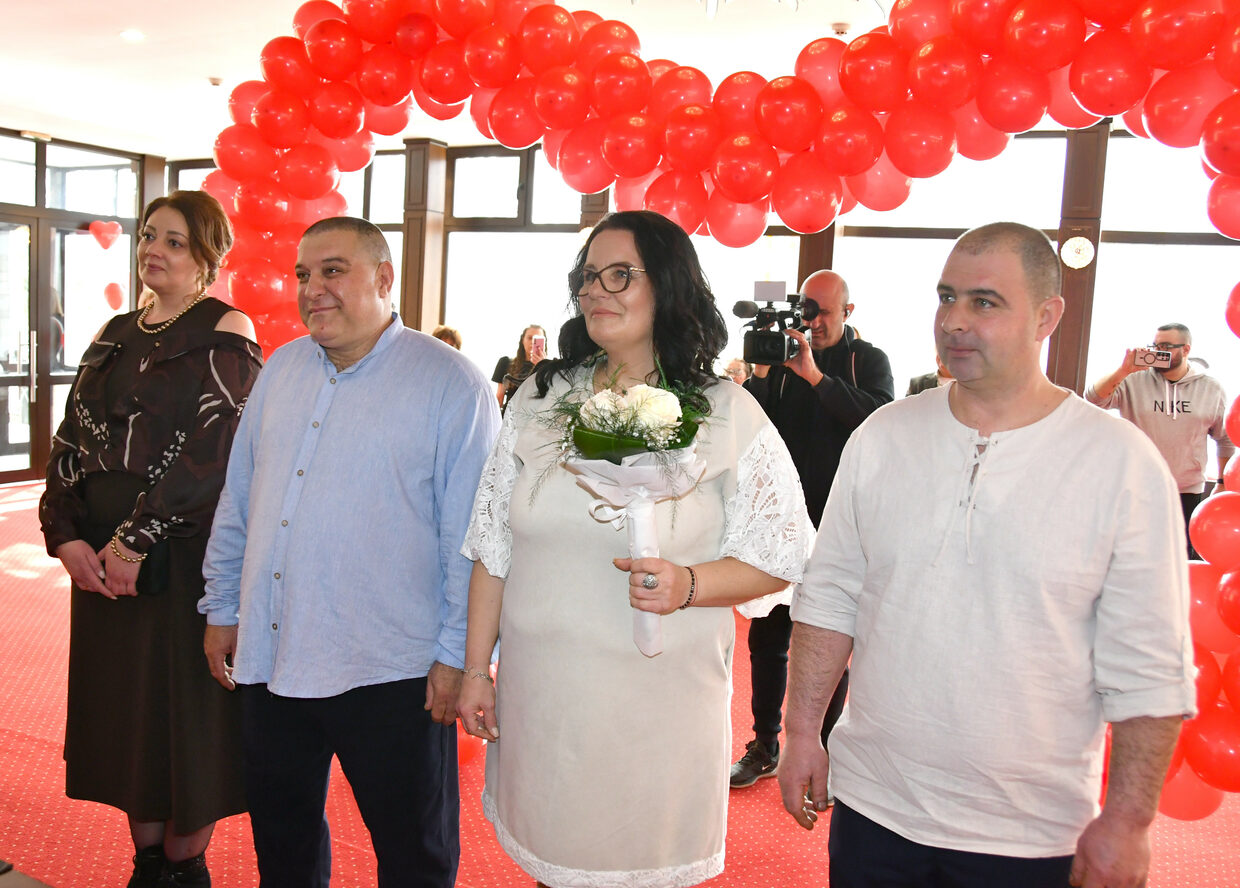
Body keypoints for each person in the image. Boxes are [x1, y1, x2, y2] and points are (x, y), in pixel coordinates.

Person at [780, 222, 1195, 888]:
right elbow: (829, 596)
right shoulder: (884, 436)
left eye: (984, 302)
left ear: (1046, 317)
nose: (954, 321)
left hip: (1029, 833)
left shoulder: (1119, 462)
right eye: (946, 297)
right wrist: (801, 731)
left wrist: (1128, 819)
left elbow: (1150, 662)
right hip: (874, 807)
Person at [456, 210, 812, 888]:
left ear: (668, 286)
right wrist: (477, 669)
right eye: (589, 276)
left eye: (620, 274)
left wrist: (689, 583)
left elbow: (780, 553)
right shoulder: (540, 398)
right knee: (552, 865)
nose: (597, 290)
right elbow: (493, 545)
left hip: (657, 705)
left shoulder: (725, 409)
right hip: (546, 696)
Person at [199, 217, 499, 888]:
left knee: (414, 855)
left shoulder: (452, 384)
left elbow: (475, 538)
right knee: (283, 849)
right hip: (275, 654)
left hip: (393, 669)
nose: (313, 289)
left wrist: (460, 655)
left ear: (384, 278)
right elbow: (240, 498)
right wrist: (222, 606)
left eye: (333, 270)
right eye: (303, 274)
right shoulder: (280, 369)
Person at [39, 190, 262, 888]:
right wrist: (64, 535)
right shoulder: (114, 330)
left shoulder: (225, 327)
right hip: (99, 563)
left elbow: (217, 451)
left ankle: (184, 870)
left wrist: (135, 540)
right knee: (127, 715)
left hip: (180, 555)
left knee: (183, 719)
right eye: (147, 236)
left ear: (207, 256)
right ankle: (147, 867)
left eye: (173, 240)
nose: (153, 250)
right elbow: (70, 439)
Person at [732, 269, 894, 789]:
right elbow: (755, 428)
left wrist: (816, 377)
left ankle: (822, 746)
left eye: (824, 311)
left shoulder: (867, 360)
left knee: (830, 639)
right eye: (808, 310)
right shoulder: (781, 359)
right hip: (783, 523)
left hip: (840, 524)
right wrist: (761, 375)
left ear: (848, 312)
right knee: (768, 636)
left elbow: (880, 421)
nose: (814, 321)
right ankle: (764, 744)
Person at [1085, 323, 1234, 558]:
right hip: (1138, 486)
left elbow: (1224, 439)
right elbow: (1094, 399)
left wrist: (1222, 482)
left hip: (1186, 490)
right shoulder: (1133, 380)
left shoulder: (1211, 388)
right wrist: (1123, 371)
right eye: (1155, 345)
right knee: (1132, 555)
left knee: (1178, 558)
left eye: (1165, 346)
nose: (1157, 351)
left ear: (1185, 349)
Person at [491, 324, 546, 411]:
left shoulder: (549, 368)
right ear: (522, 340)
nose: (533, 342)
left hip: (534, 416)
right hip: (509, 415)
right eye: (529, 338)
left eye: (537, 339)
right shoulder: (505, 362)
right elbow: (499, 398)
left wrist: (542, 366)